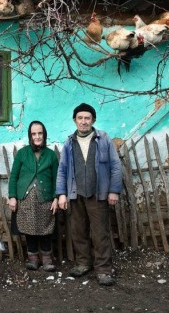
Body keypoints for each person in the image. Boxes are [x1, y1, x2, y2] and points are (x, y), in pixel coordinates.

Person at [56, 103, 122, 286]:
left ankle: (103, 270)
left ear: (93, 120)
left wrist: (114, 190)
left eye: (87, 118)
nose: (83, 122)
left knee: (100, 233)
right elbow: (62, 169)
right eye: (80, 118)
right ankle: (83, 263)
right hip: (76, 194)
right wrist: (62, 194)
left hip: (98, 193)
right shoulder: (69, 142)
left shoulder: (103, 139)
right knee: (78, 231)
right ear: (75, 120)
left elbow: (116, 166)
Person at [8, 120, 59, 271]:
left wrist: (56, 197)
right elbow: (14, 176)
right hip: (26, 198)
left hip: (45, 198)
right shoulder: (22, 154)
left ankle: (47, 259)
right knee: (29, 229)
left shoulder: (51, 155)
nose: (37, 136)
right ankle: (33, 258)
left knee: (46, 229)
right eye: (34, 133)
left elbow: (57, 178)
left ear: (44, 135)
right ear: (30, 135)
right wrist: (12, 196)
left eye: (40, 133)